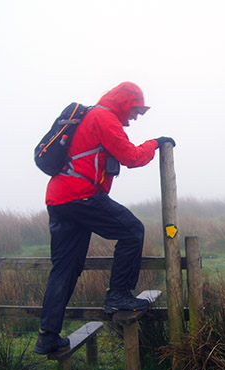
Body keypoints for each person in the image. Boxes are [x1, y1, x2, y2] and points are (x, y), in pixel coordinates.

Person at [34, 82, 176, 355]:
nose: (135, 117)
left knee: (65, 268)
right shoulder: (104, 118)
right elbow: (131, 157)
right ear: (124, 102)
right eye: (135, 110)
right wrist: (155, 143)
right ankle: (118, 295)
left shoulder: (93, 117)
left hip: (59, 199)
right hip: (81, 194)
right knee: (132, 230)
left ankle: (48, 337)